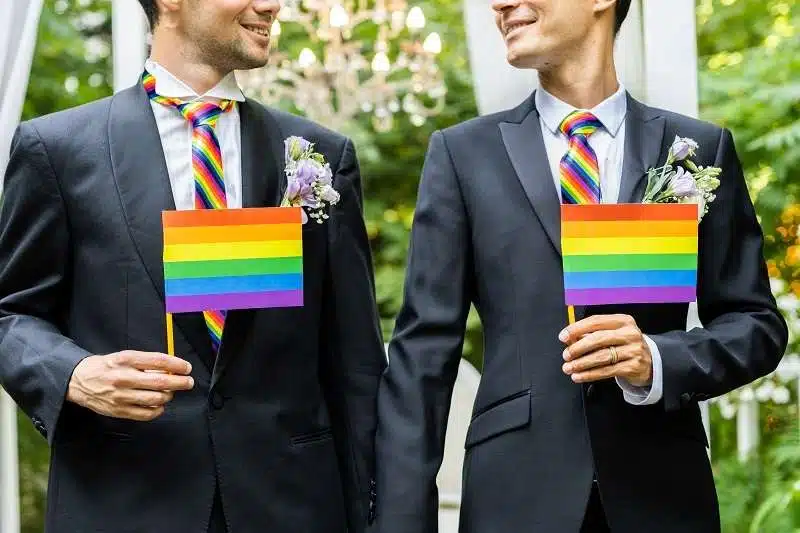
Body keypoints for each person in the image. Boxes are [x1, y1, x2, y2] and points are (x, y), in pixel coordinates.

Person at [372, 0, 788, 531]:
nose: (500, 4)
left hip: (662, 495)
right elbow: (422, 360)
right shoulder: (461, 155)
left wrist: (657, 359)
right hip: (515, 497)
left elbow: (756, 325)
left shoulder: (696, 151)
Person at [0, 1, 386, 532]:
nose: (271, 5)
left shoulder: (318, 155)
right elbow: (10, 314)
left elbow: (355, 364)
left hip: (291, 505)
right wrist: (73, 374)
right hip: (124, 499)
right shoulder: (59, 149)